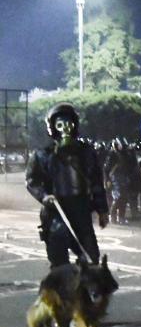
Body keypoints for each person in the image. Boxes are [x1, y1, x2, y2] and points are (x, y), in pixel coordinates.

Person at [25, 103, 108, 267]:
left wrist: (102, 210)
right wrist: (44, 196)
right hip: (56, 210)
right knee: (59, 261)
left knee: (91, 259)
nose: (65, 129)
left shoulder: (86, 153)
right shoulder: (43, 155)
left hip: (81, 209)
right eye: (60, 124)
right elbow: (31, 181)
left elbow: (97, 182)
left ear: (75, 125)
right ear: (52, 127)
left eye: (69, 123)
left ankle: (83, 290)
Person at [103, 137, 135, 225]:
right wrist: (107, 180)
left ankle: (121, 217)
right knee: (118, 196)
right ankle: (112, 216)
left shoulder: (125, 154)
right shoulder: (112, 154)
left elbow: (131, 164)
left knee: (124, 198)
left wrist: (131, 152)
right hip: (115, 178)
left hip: (124, 177)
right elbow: (106, 169)